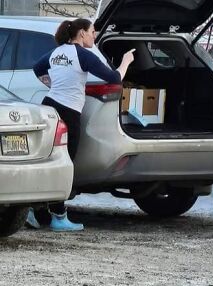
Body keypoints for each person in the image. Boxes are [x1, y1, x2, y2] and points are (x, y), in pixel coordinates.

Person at [27, 18, 135, 232]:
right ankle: (59, 217)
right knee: (64, 164)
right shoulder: (82, 55)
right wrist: (126, 61)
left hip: (50, 107)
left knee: (47, 161)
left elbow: (37, 68)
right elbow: (114, 78)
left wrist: (54, 84)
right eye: (92, 32)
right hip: (68, 112)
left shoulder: (56, 53)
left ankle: (33, 210)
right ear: (82, 33)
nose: (94, 36)